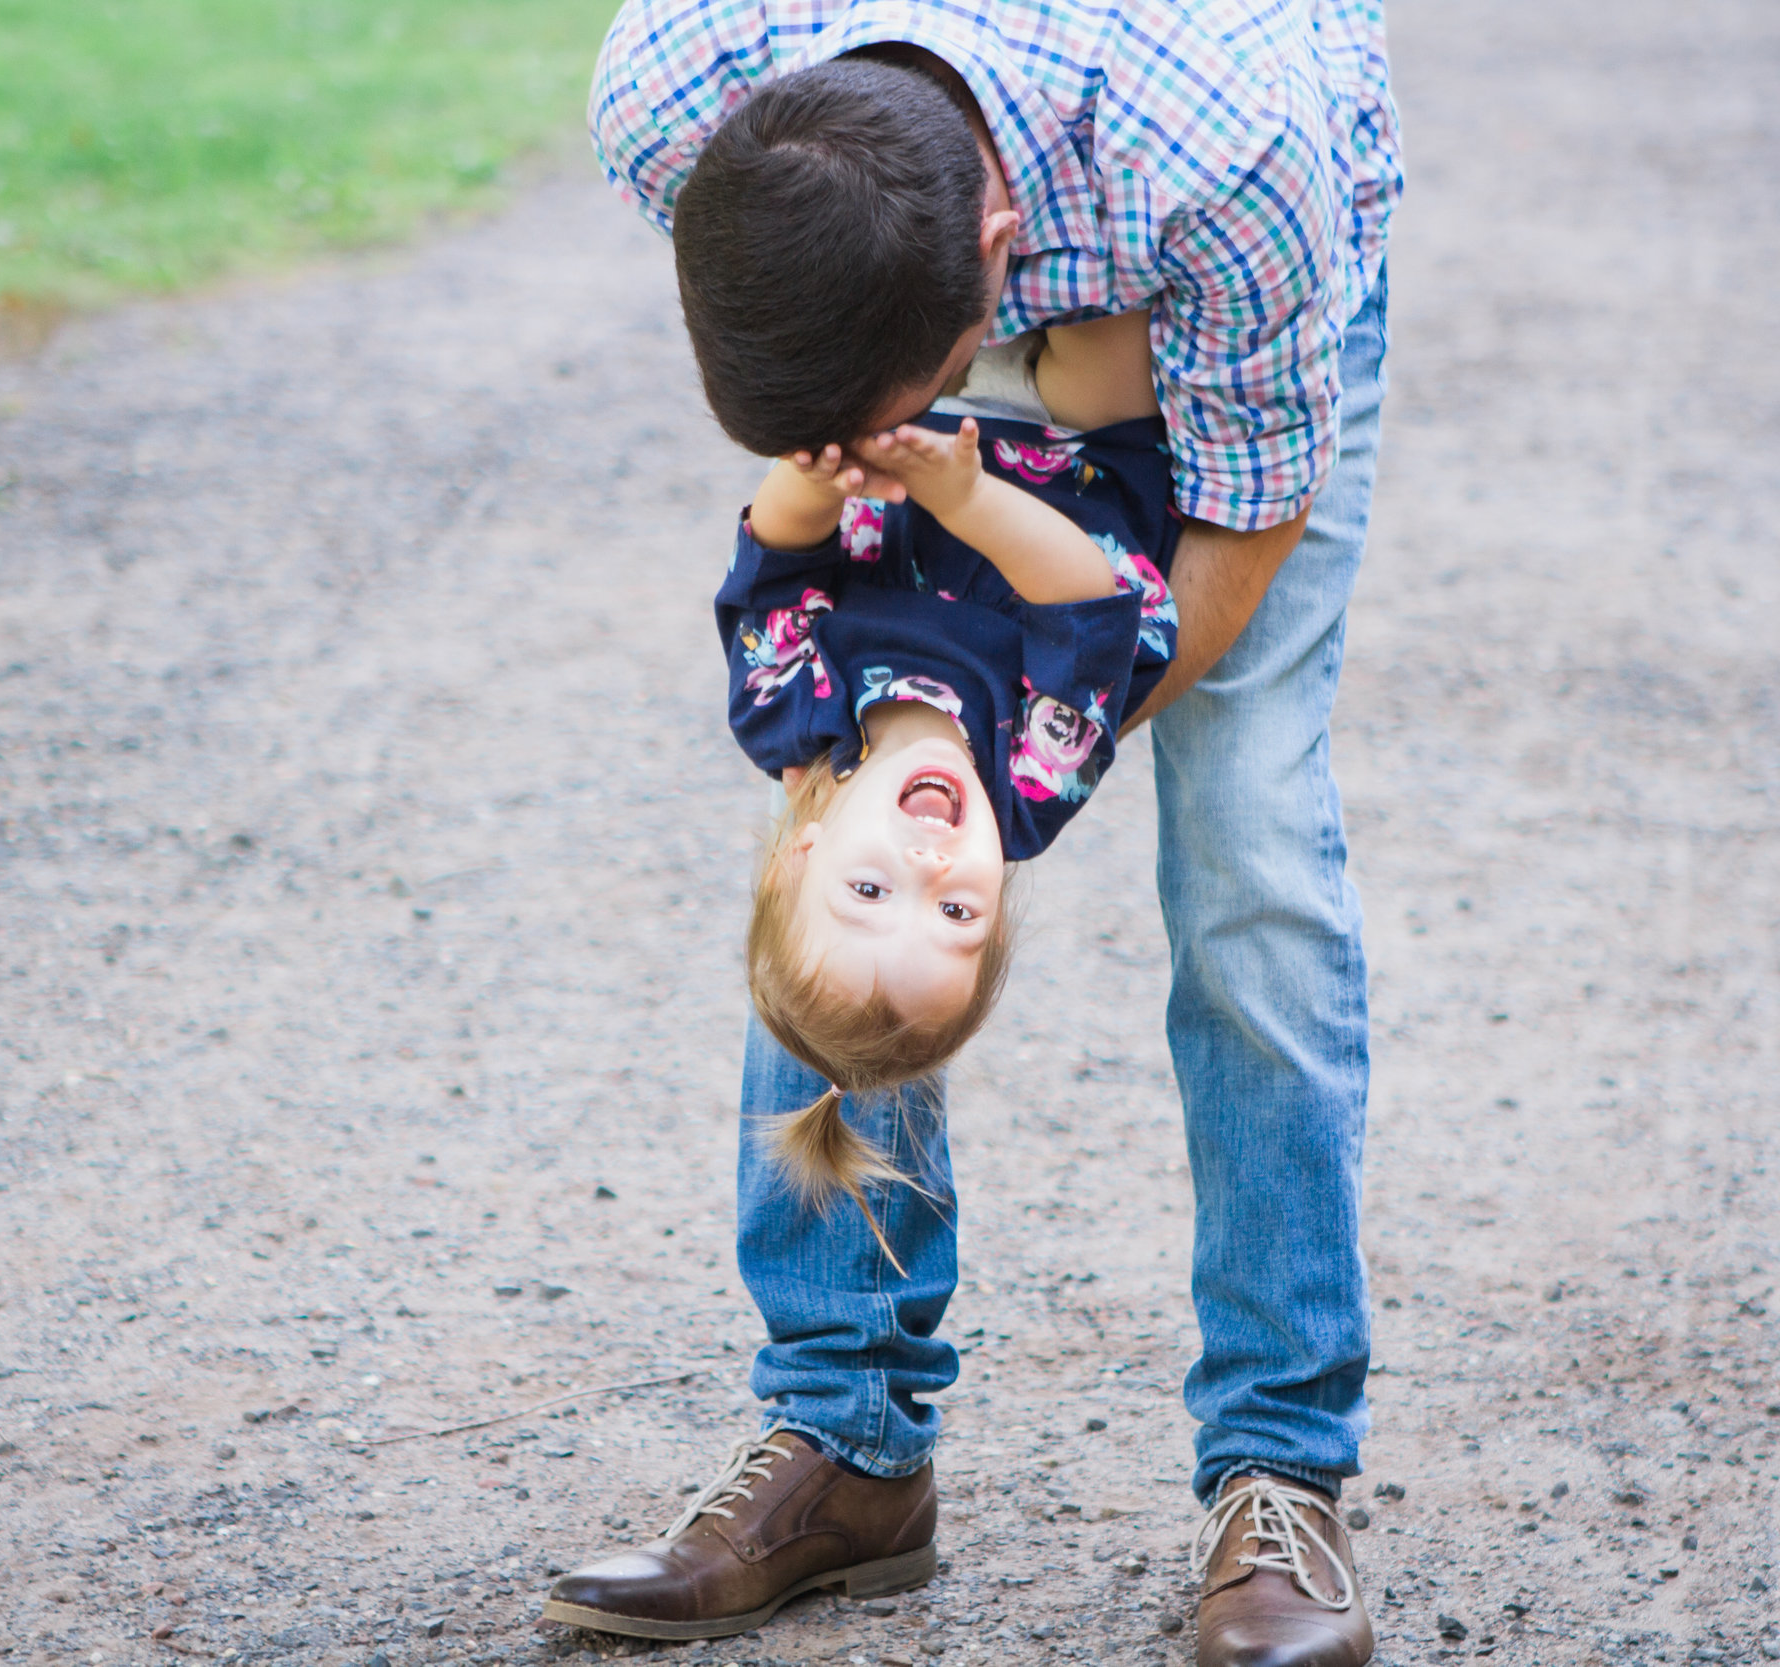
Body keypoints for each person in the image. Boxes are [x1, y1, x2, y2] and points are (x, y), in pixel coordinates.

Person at [551, 6, 1399, 1664]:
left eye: (927, 886)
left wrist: (995, 766)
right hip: (980, 456)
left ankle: (1280, 1470)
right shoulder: (673, 92)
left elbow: (1194, 566)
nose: (936, 876)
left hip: (1199, 373)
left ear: (1000, 254)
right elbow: (794, 527)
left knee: (1251, 868)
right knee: (827, 908)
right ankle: (848, 1438)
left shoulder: (1230, 158)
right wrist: (916, 825)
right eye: (960, 906)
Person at [722, 315, 1177, 1255]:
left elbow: (770, 562)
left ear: (799, 857)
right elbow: (1082, 599)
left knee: (881, 317)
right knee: (1100, 350)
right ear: (1000, 910)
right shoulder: (1033, 777)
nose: (927, 864)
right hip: (1075, 460)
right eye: (957, 912)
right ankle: (1091, 231)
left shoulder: (786, 713)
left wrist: (813, 479)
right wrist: (967, 501)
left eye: (871, 890)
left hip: (907, 411)